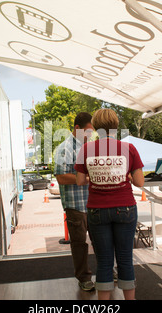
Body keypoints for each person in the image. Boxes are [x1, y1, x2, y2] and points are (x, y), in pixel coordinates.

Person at [74, 109, 144, 300]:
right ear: (115, 125)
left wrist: (97, 176)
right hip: (126, 208)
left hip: (97, 210)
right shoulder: (128, 148)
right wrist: (125, 175)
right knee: (125, 260)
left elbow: (80, 181)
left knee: (104, 262)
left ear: (95, 126)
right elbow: (139, 182)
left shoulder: (86, 150)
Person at [54, 112, 95, 291]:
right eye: (87, 131)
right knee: (79, 245)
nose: (90, 135)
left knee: (102, 241)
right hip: (76, 206)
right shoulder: (64, 149)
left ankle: (108, 271)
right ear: (77, 129)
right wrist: (87, 178)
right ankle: (84, 278)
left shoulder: (91, 147)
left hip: (94, 204)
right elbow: (62, 177)